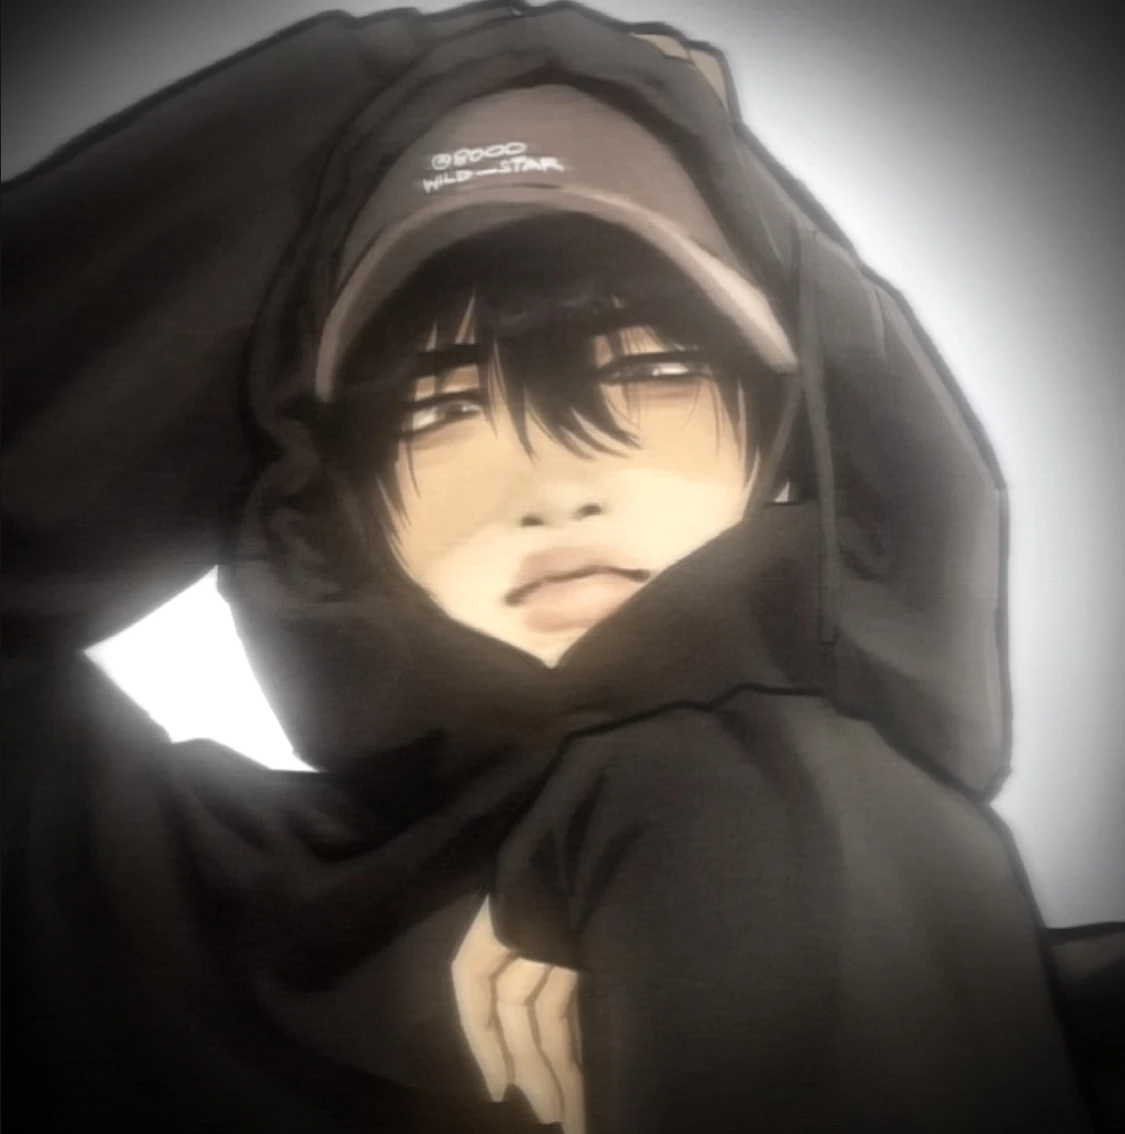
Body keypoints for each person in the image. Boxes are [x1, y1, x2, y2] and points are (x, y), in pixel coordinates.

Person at [3, 3, 1121, 1132]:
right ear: (338, 508)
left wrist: (710, 802)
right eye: (439, 408)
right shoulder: (177, 927)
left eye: (646, 371)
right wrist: (354, 108)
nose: (548, 483)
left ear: (794, 445)